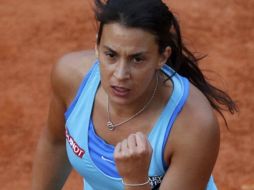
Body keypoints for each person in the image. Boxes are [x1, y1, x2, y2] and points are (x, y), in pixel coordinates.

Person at [32, 0, 238, 189]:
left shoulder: (194, 125)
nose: (120, 75)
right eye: (111, 55)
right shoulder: (70, 77)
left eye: (137, 59)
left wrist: (137, 180)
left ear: (162, 57)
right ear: (97, 46)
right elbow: (56, 142)